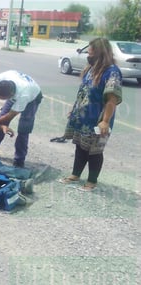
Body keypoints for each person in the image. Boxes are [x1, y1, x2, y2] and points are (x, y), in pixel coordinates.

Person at [59, 37, 122, 192]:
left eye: (91, 52)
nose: (88, 54)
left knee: (95, 151)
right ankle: (75, 175)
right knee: (80, 147)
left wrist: (105, 121)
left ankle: (92, 181)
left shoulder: (112, 72)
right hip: (82, 119)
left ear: (100, 53)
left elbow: (111, 99)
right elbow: (85, 93)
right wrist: (75, 111)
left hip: (98, 120)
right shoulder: (92, 69)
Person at [0, 70, 43, 168]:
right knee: (0, 118)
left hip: (32, 98)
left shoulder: (23, 95)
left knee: (23, 129)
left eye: (2, 97)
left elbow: (10, 116)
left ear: (11, 94)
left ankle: (19, 161)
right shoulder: (4, 77)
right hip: (19, 91)